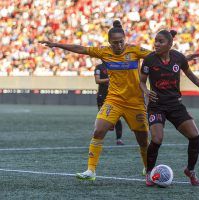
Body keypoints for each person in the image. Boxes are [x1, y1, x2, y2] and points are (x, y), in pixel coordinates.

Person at [39, 20, 151, 180]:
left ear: (125, 39)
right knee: (98, 131)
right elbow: (80, 49)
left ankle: (148, 167)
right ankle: (91, 170)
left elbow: (156, 55)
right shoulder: (104, 52)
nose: (119, 46)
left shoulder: (135, 50)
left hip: (136, 102)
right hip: (114, 100)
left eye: (121, 42)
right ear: (109, 42)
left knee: (142, 139)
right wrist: (56, 44)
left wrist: (182, 59)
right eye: (115, 43)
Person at [139, 30, 199, 186]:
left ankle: (190, 170)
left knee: (195, 136)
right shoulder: (149, 60)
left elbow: (191, 75)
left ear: (170, 44)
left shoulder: (178, 58)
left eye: (160, 41)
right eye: (155, 41)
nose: (156, 44)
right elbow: (141, 81)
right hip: (157, 106)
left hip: (175, 105)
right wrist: (147, 91)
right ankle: (149, 173)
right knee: (157, 139)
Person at [94, 63, 124, 145]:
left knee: (117, 118)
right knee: (102, 119)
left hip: (114, 95)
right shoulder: (99, 67)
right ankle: (98, 139)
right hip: (102, 95)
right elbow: (97, 80)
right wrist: (109, 79)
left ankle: (119, 139)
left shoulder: (116, 65)